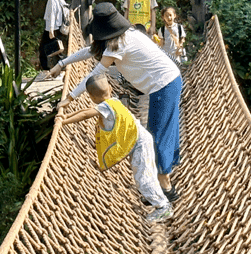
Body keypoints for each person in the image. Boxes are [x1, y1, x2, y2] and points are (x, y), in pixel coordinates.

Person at [50, 2, 182, 201]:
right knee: (161, 132)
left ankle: (166, 189)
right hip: (167, 82)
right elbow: (89, 51)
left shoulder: (119, 44)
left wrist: (69, 98)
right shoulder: (123, 36)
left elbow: (94, 75)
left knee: (158, 135)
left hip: (164, 84)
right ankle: (161, 185)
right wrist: (62, 64)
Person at [61, 74, 174, 222]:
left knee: (143, 178)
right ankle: (154, 197)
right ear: (111, 88)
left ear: (92, 97)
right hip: (139, 140)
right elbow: (86, 110)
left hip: (139, 143)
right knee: (146, 173)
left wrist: (63, 122)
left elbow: (85, 114)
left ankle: (163, 206)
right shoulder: (112, 101)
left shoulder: (104, 107)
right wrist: (65, 116)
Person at [39, 0, 69, 70]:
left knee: (44, 49)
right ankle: (61, 67)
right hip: (59, 27)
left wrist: (51, 30)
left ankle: (47, 69)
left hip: (51, 28)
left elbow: (52, 15)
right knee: (57, 49)